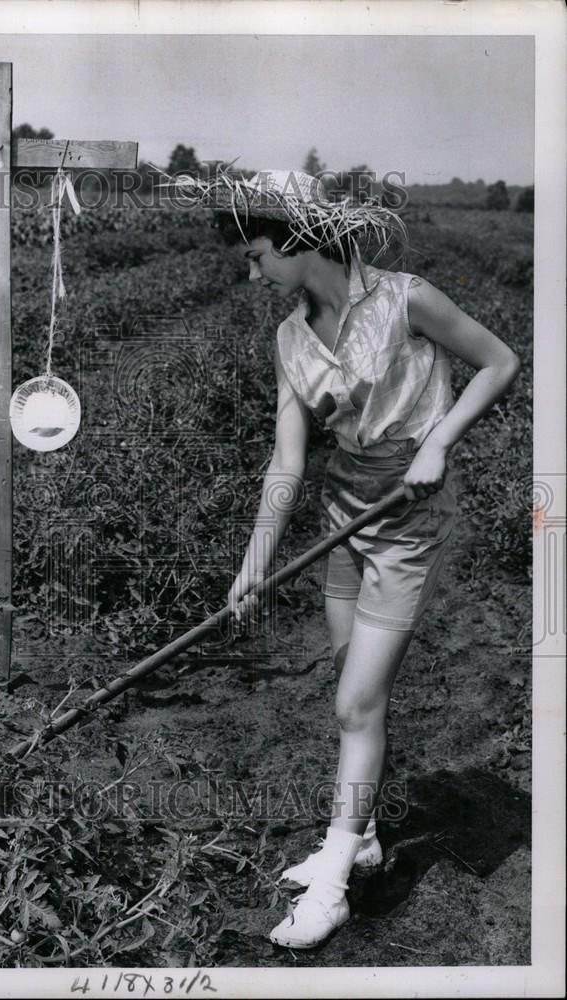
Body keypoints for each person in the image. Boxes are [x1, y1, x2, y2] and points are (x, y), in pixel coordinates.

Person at [181, 167, 521, 949]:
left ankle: (334, 881)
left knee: (355, 706)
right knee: (349, 688)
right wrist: (253, 562)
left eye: (257, 253)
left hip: (407, 521)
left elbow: (499, 361)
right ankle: (361, 832)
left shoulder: (407, 298)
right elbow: (286, 463)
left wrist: (437, 441)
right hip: (342, 515)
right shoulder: (289, 338)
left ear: (298, 242)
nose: (251, 270)